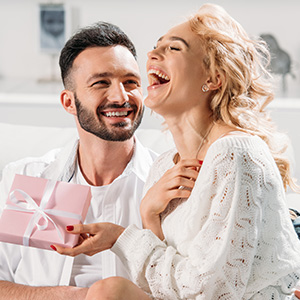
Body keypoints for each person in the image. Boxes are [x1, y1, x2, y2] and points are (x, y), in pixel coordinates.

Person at [55, 4, 300, 299]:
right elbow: (158, 289)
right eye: (156, 46)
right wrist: (149, 216)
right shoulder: (163, 168)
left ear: (213, 78)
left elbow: (210, 291)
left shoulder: (236, 152)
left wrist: (122, 237)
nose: (152, 55)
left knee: (111, 291)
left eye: (174, 48)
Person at [0, 22, 157, 299]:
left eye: (131, 82)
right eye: (101, 83)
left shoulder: (165, 183)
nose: (121, 97)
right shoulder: (25, 180)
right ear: (68, 102)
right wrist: (75, 296)